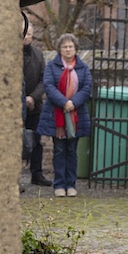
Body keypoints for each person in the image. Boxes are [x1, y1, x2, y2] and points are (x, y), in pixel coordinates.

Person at [37, 33, 92, 197]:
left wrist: (73, 102)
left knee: (72, 151)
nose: (68, 50)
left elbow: (87, 88)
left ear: (75, 49)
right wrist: (64, 103)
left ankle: (71, 184)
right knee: (59, 150)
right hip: (57, 115)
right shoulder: (51, 67)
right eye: (65, 47)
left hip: (77, 114)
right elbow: (48, 86)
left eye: (70, 47)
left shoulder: (83, 67)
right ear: (59, 50)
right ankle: (59, 184)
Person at [23, 23, 51, 186]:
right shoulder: (12, 54)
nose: (27, 37)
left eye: (30, 34)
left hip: (34, 105)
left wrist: (33, 97)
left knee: (36, 140)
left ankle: (37, 174)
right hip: (15, 105)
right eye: (24, 34)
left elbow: (43, 80)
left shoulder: (38, 55)